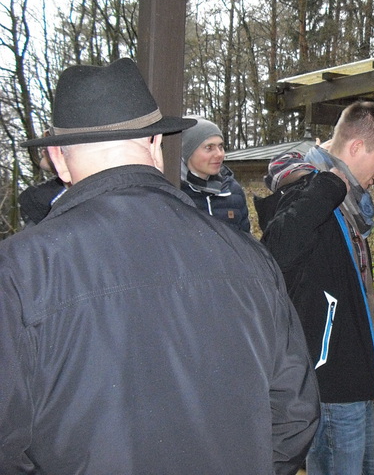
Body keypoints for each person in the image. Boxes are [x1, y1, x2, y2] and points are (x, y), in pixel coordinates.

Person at [0, 58, 319, 474]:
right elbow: (295, 414)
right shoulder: (248, 256)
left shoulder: (20, 270)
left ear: (58, 157)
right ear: (154, 144)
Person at [262, 101, 374, 475]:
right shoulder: (313, 189)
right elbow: (275, 252)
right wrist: (327, 187)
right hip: (330, 375)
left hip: (354, 365)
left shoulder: (348, 204)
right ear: (355, 147)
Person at [181, 116, 251, 232]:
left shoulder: (232, 191)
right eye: (209, 148)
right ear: (187, 152)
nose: (219, 154)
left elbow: (245, 239)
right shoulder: (174, 191)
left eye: (220, 146)